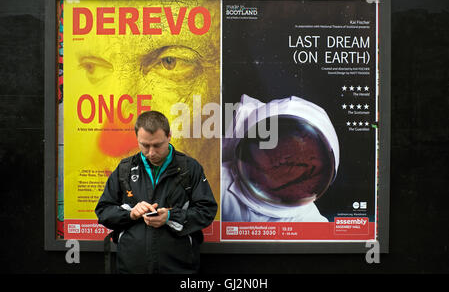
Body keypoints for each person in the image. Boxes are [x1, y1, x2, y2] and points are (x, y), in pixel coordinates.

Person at [95, 111, 217, 274]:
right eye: (145, 145)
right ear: (137, 138)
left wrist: (170, 217)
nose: (151, 152)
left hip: (178, 268)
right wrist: (131, 214)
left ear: (169, 136)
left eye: (157, 145)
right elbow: (103, 212)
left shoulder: (189, 168)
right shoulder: (125, 169)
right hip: (131, 268)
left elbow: (207, 211)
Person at [221, 94, 339, 222]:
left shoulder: (311, 224)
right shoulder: (214, 185)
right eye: (278, 145)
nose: (285, 159)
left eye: (305, 158)